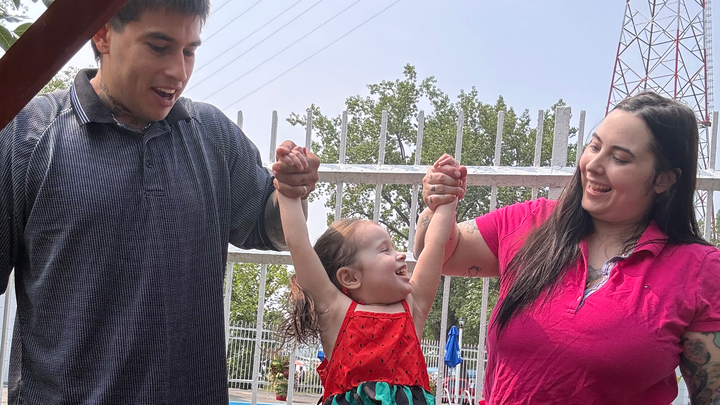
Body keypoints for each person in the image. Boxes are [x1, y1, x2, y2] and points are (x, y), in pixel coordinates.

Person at [0, 0, 319, 403]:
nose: (178, 72)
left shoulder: (213, 136)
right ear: (103, 34)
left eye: (189, 51)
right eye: (159, 47)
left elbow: (270, 229)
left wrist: (289, 192)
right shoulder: (28, 136)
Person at [415, 92, 720, 404]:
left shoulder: (699, 270)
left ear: (664, 180)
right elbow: (438, 253)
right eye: (594, 146)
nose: (593, 165)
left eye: (619, 159)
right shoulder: (530, 222)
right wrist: (439, 204)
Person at [275, 148, 457, 405]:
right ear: (350, 277)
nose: (400, 255)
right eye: (385, 250)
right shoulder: (335, 311)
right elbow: (299, 244)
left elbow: (435, 245)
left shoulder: (413, 307)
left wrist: (448, 198)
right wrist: (289, 192)